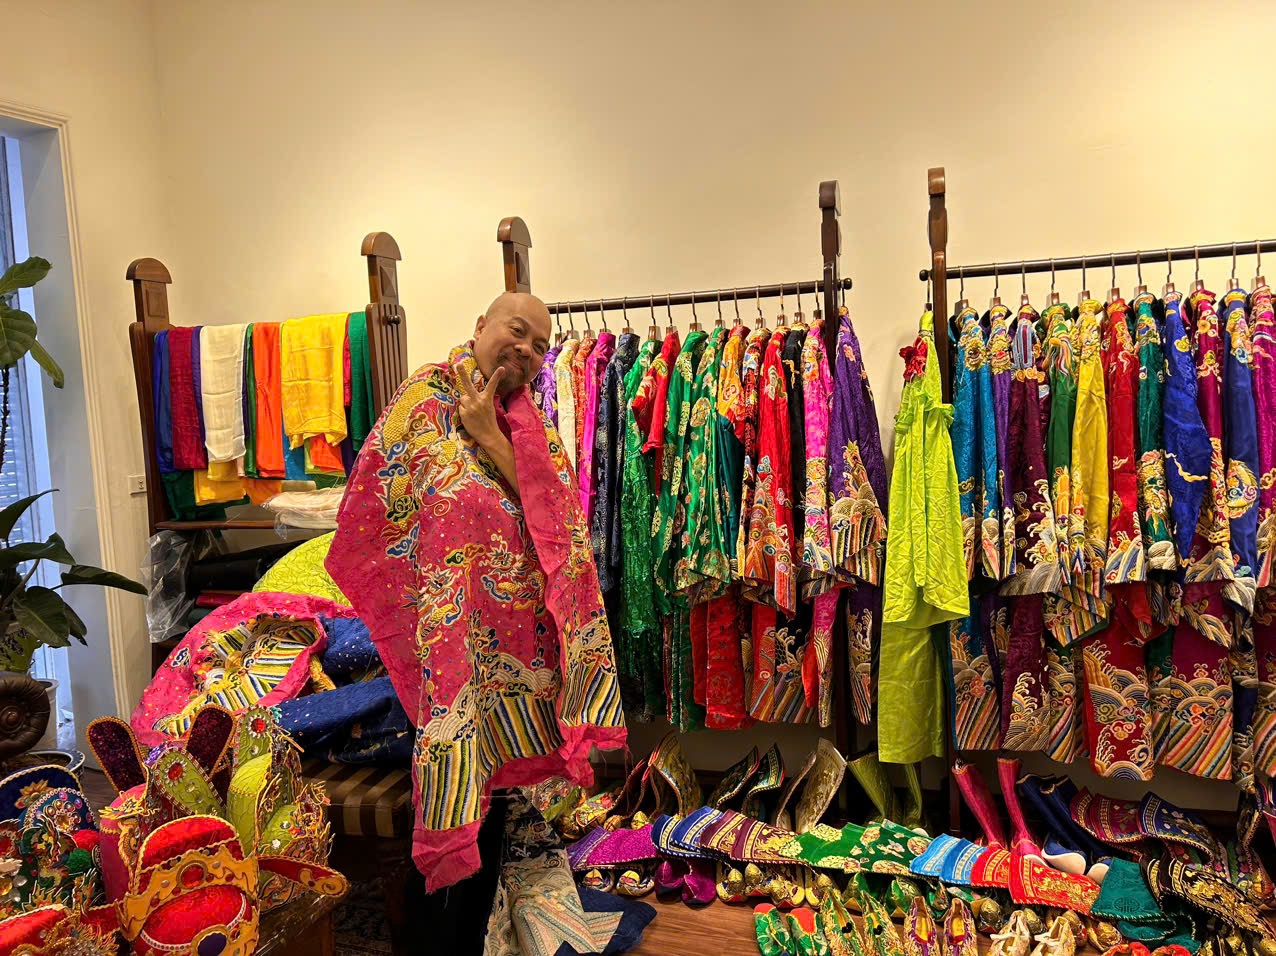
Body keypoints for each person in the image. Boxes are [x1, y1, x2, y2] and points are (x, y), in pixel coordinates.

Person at [326, 292, 627, 923]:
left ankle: (487, 927)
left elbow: (561, 524)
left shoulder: (530, 425)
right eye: (517, 330)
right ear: (481, 325)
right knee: (455, 786)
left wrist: (490, 435)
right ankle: (444, 933)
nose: (527, 350)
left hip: (516, 660)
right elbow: (371, 515)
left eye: (540, 345)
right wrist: (415, 608)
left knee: (501, 809)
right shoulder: (421, 401)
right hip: (447, 647)